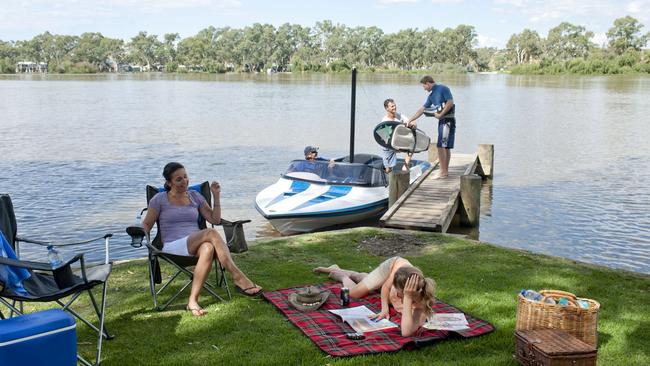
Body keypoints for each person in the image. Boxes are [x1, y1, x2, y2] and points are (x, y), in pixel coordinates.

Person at [142, 162, 262, 316]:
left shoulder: (195, 196)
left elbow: (215, 219)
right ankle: (238, 277)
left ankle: (192, 301)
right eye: (179, 179)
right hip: (173, 246)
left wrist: (216, 196)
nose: (184, 181)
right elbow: (147, 223)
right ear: (168, 183)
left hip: (195, 244)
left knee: (208, 247)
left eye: (185, 177)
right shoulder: (159, 199)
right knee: (210, 234)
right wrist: (139, 232)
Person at [313, 257, 436, 337]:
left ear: (407, 292)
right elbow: (385, 288)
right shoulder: (398, 276)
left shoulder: (421, 302)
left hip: (402, 275)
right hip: (394, 264)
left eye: (399, 293)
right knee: (355, 293)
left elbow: (406, 332)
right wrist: (384, 309)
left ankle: (349, 273)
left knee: (367, 281)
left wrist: (408, 298)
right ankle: (341, 275)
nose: (398, 296)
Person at [407, 76, 456, 179]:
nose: (424, 88)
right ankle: (445, 172)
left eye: (424, 86)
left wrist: (441, 114)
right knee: (444, 146)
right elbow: (422, 110)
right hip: (442, 121)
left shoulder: (443, 88)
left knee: (441, 146)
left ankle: (443, 172)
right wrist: (410, 120)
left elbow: (450, 102)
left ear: (428, 83)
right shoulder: (431, 96)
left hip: (447, 121)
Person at [380, 98, 413, 173]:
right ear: (386, 108)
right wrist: (394, 148)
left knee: (411, 147)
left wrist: (412, 124)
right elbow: (384, 139)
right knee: (389, 169)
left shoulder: (399, 116)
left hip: (398, 141)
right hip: (387, 146)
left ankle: (405, 166)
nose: (394, 107)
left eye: (394, 105)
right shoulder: (385, 121)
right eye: (392, 106)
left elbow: (410, 121)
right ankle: (388, 177)